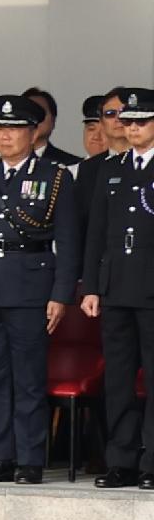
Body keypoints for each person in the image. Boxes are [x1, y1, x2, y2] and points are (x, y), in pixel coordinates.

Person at [0, 95, 68, 482]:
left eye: (14, 129)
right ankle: (0, 456)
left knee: (28, 376)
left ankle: (30, 458)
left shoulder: (54, 177)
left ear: (33, 132)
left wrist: (60, 294)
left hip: (30, 284)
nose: (4, 137)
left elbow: (67, 242)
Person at [63, 85, 154, 485]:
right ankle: (121, 459)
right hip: (116, 288)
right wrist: (93, 287)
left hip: (151, 288)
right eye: (126, 120)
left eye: (142, 121)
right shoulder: (111, 168)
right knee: (117, 379)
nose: (132, 128)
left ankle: (151, 461)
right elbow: (96, 233)